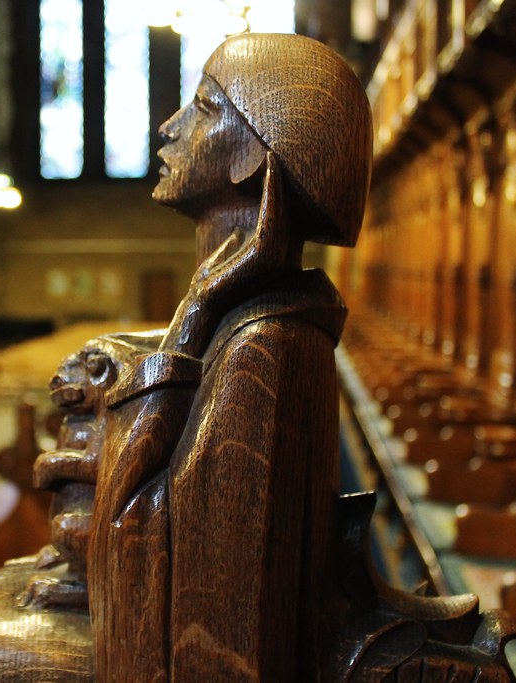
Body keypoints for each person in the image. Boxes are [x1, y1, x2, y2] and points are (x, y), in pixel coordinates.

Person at [86, 32, 371, 681]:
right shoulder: (254, 324)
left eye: (203, 108)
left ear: (251, 158)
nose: (168, 127)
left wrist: (194, 311)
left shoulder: (264, 346)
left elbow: (147, 550)